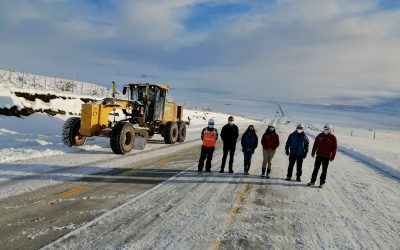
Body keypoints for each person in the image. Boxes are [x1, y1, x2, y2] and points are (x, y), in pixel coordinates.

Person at [308, 123, 337, 188]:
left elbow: (334, 148)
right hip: (319, 155)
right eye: (325, 129)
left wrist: (332, 157)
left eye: (327, 129)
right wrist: (313, 152)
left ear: (330, 130)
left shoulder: (333, 138)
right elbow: (315, 145)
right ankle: (312, 181)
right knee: (316, 168)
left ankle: (322, 183)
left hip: (326, 157)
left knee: (324, 170)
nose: (326, 130)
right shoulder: (319, 135)